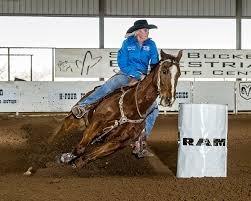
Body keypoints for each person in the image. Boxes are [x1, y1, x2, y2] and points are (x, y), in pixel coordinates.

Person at [71, 19, 159, 157]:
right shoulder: (127, 43)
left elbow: (154, 64)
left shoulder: (151, 44)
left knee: (154, 108)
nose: (147, 31)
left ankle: (141, 141)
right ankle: (84, 106)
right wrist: (136, 75)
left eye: (147, 29)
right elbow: (122, 62)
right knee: (109, 86)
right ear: (137, 32)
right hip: (126, 74)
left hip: (143, 77)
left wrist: (148, 78)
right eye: (144, 29)